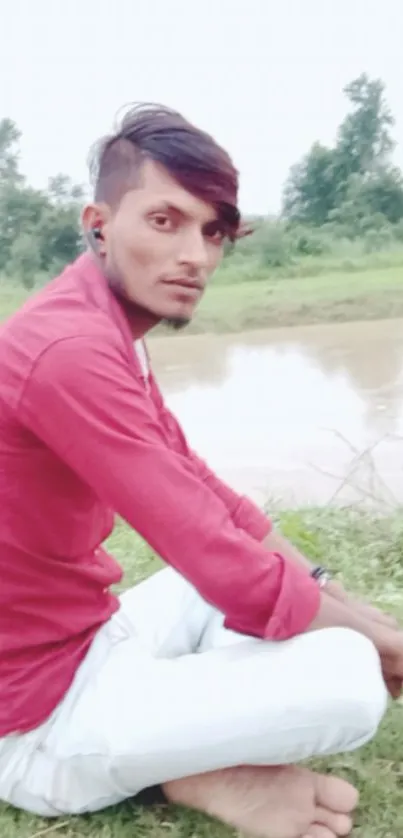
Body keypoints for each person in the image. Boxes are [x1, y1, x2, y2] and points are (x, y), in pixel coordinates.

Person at [0, 104, 401, 838]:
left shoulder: (103, 328)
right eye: (164, 221)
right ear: (99, 222)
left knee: (286, 601)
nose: (196, 254)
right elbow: (219, 559)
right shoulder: (68, 351)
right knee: (346, 680)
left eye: (213, 230)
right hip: (29, 717)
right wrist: (378, 645)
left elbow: (206, 492)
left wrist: (326, 590)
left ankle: (187, 753)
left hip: (93, 639)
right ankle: (175, 766)